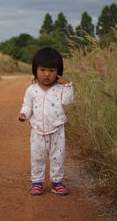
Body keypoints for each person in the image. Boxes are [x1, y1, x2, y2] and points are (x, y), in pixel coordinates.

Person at [18, 47, 74, 195]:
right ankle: (37, 182)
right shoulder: (32, 90)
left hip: (57, 130)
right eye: (42, 70)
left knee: (58, 157)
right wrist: (24, 114)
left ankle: (57, 182)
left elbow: (67, 102)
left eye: (52, 70)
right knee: (37, 157)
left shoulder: (60, 89)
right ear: (35, 70)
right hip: (37, 131)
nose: (47, 74)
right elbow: (27, 105)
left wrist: (68, 85)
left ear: (58, 71)